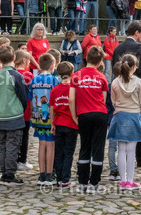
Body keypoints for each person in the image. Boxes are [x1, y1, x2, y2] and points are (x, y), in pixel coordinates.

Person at [70, 45, 109, 188]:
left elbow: (71, 99)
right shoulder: (102, 77)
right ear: (100, 62)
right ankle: (95, 181)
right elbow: (103, 99)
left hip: (83, 114)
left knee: (84, 146)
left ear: (86, 58)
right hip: (100, 114)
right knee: (98, 148)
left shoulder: (76, 76)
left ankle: (82, 181)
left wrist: (75, 116)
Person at [109, 52, 141, 190]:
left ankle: (123, 181)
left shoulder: (115, 82)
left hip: (120, 116)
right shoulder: (138, 82)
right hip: (134, 115)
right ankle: (130, 180)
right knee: (131, 151)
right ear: (134, 67)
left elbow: (113, 101)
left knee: (121, 149)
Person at [0, 45, 29, 185]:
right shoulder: (16, 75)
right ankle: (10, 173)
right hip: (13, 115)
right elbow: (23, 96)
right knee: (13, 145)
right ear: (14, 58)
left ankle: (3, 171)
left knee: (2, 146)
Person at [30, 52, 59, 183]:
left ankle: (41, 173)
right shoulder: (54, 80)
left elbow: (30, 97)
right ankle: (49, 174)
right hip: (51, 119)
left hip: (37, 117)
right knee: (50, 145)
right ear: (53, 66)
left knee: (41, 144)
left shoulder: (34, 80)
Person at [51, 60, 78, 188]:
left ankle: (59, 177)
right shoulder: (74, 89)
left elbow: (52, 108)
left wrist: (52, 123)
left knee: (59, 152)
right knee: (68, 153)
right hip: (71, 124)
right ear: (72, 73)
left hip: (59, 123)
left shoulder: (55, 90)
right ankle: (65, 178)